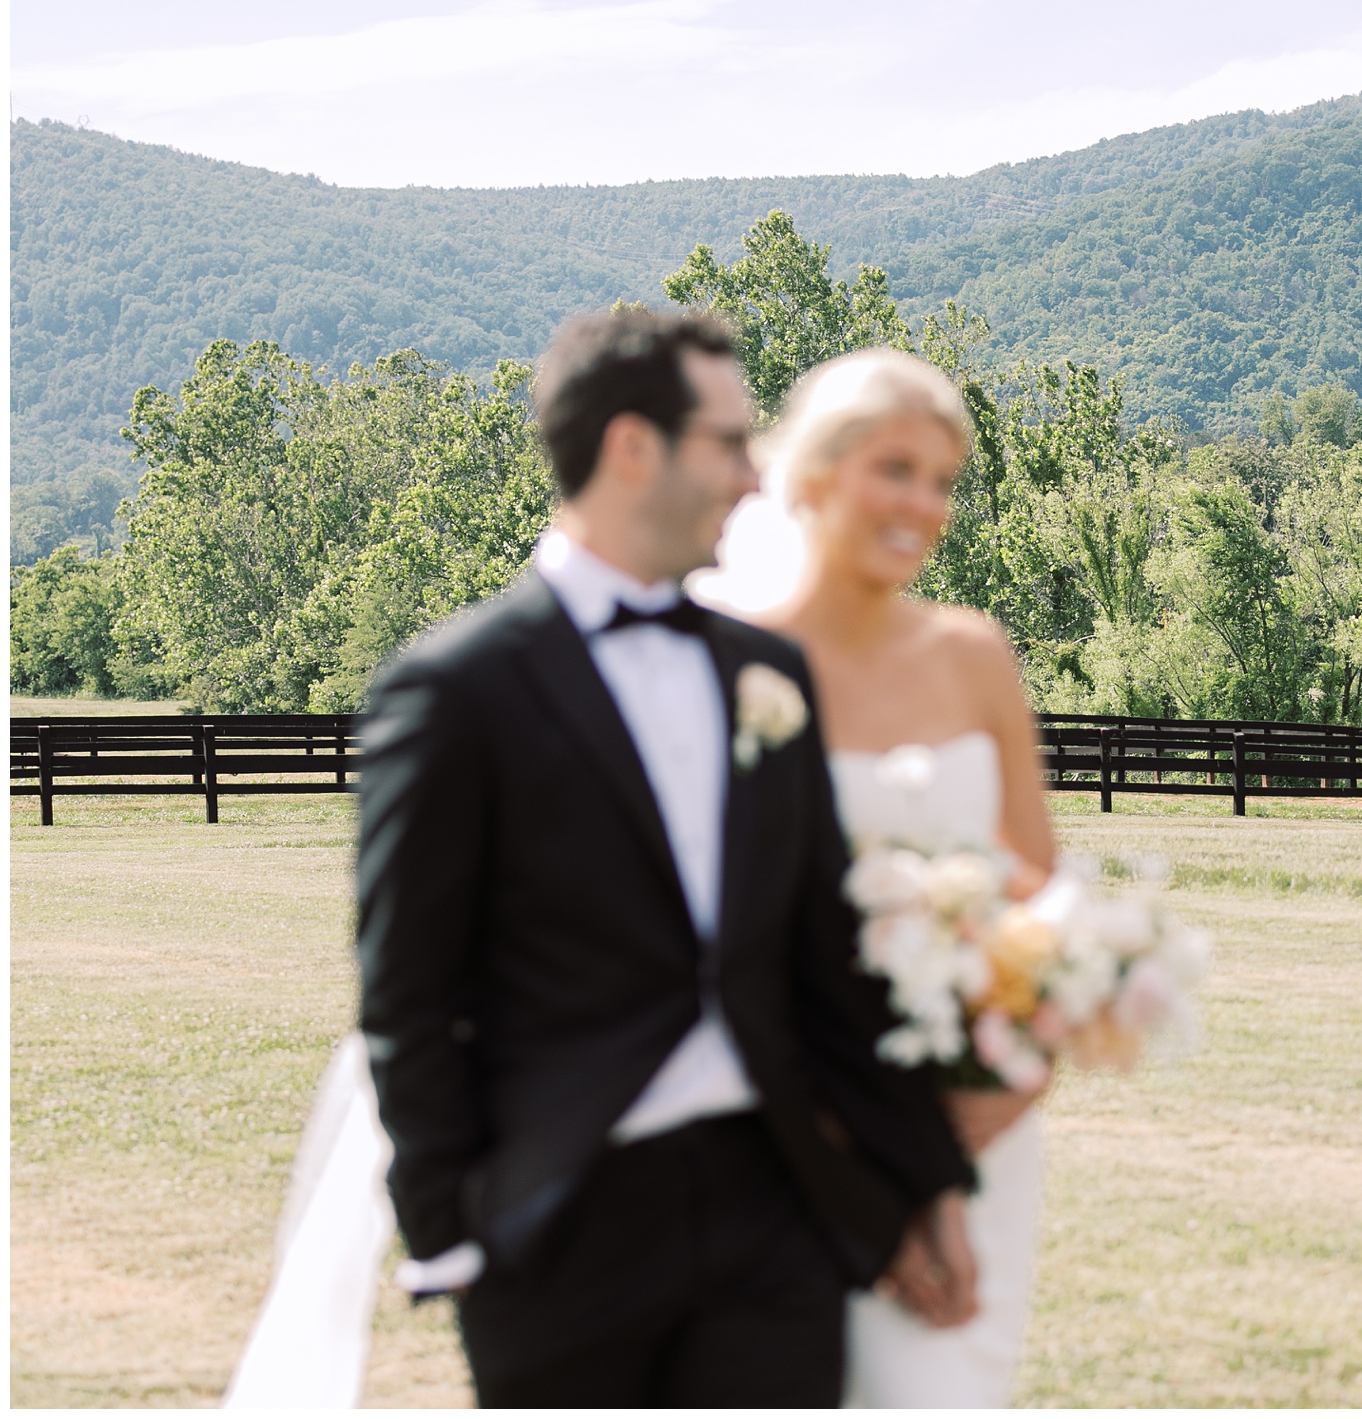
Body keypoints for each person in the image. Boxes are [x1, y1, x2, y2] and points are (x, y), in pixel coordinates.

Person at [352, 311, 979, 1406]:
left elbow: (821, 956)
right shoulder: (457, 689)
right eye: (730, 443)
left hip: (773, 1202)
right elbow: (408, 994)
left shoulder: (765, 672)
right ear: (633, 445)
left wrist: (924, 1176)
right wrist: (452, 1231)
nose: (753, 477)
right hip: (561, 1221)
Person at [701, 347, 1060, 1407]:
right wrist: (871, 1158)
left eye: (942, 479)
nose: (922, 503)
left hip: (978, 1114)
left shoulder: (972, 654)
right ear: (808, 474)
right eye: (894, 468)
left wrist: (989, 1101)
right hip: (794, 1134)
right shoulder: (729, 667)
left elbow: (1040, 892)